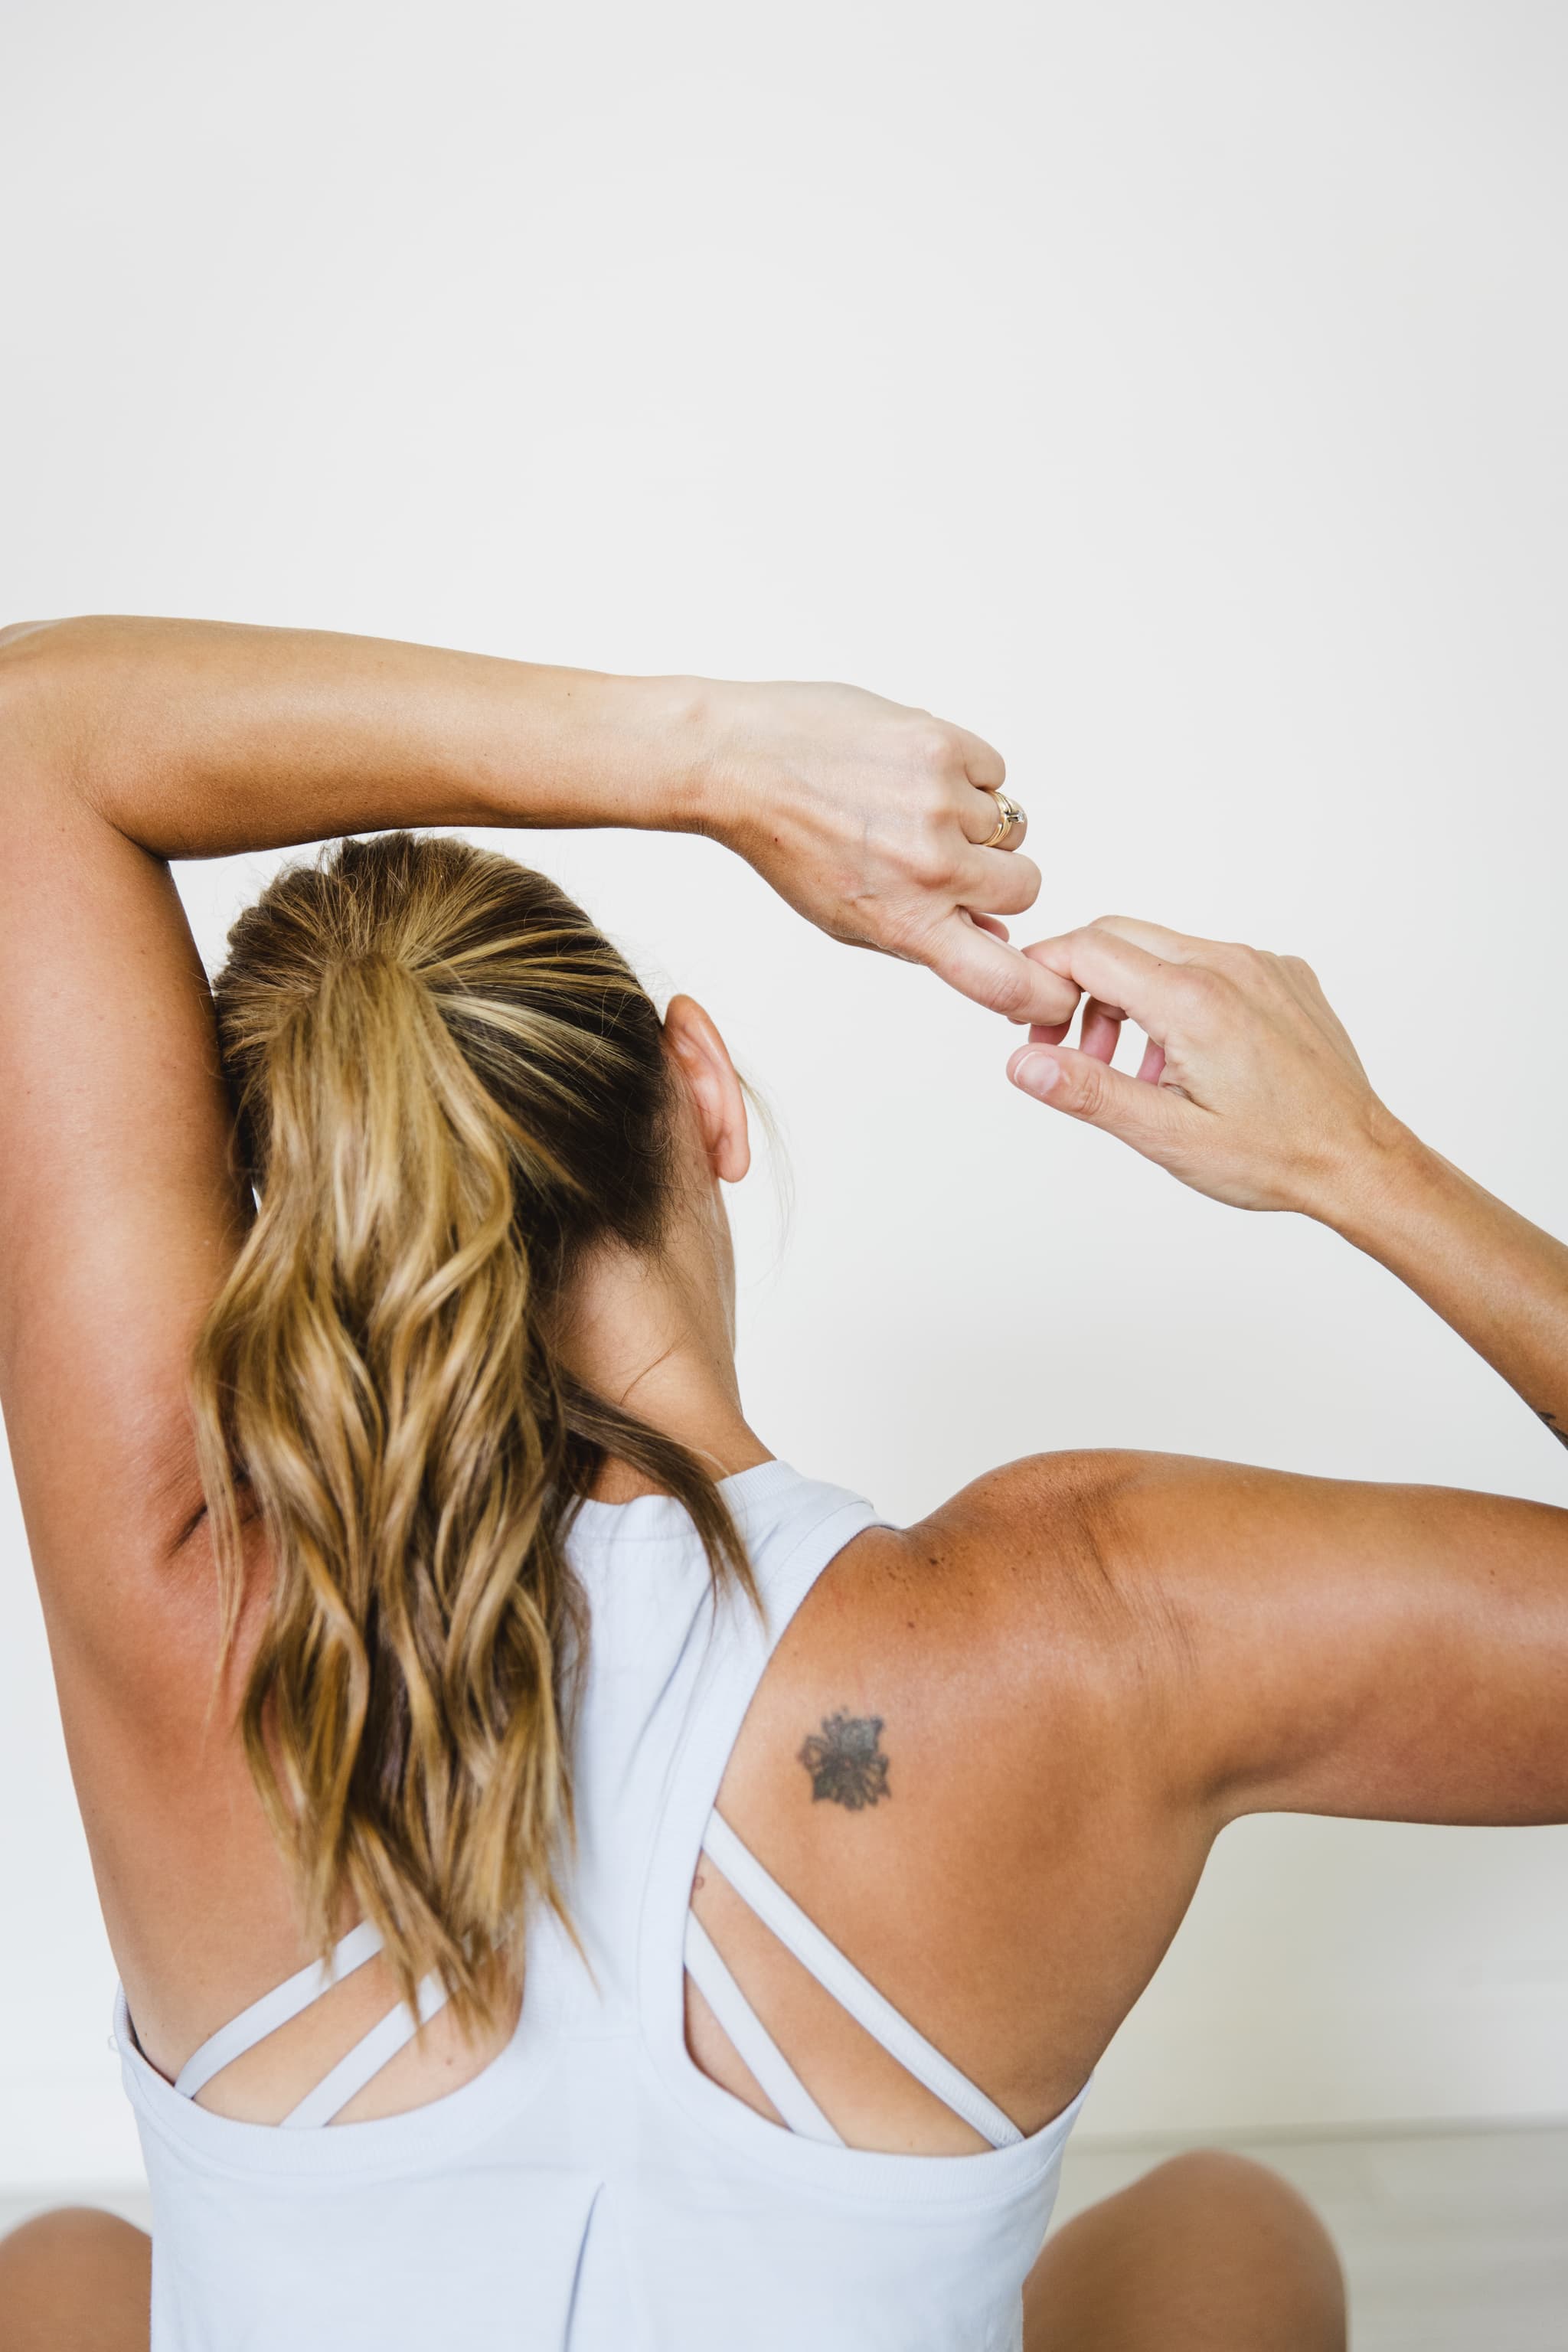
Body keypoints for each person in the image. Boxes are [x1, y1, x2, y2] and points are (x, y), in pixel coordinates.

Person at [0, 618, 1562, 2352]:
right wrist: (1357, 1159)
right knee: (1227, 2229)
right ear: (704, 1089)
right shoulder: (1091, 1623)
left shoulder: (193, 1604)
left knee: (66, 2264)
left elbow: (29, 739)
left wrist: (711, 757)